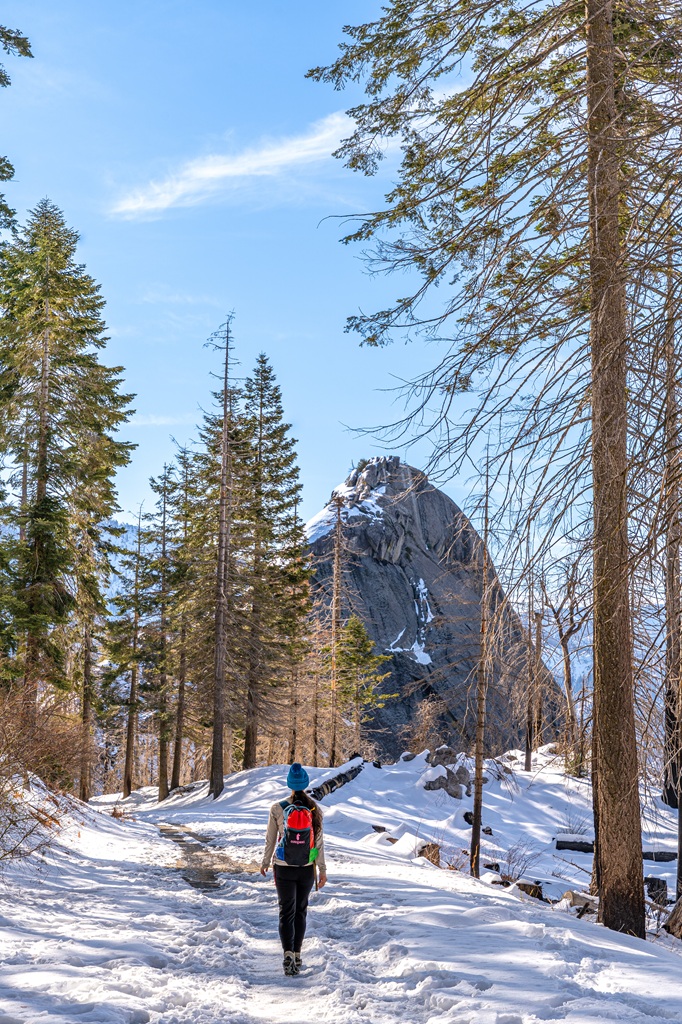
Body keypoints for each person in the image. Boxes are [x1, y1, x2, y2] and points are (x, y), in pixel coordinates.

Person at [260, 763, 327, 976]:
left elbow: (271, 839)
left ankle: (287, 953)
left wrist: (265, 861)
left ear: (289, 784)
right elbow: (318, 844)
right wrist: (322, 870)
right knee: (301, 911)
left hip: (283, 868)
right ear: (305, 784)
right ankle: (298, 955)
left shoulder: (277, 808)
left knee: (285, 912)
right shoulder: (315, 809)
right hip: (306, 868)